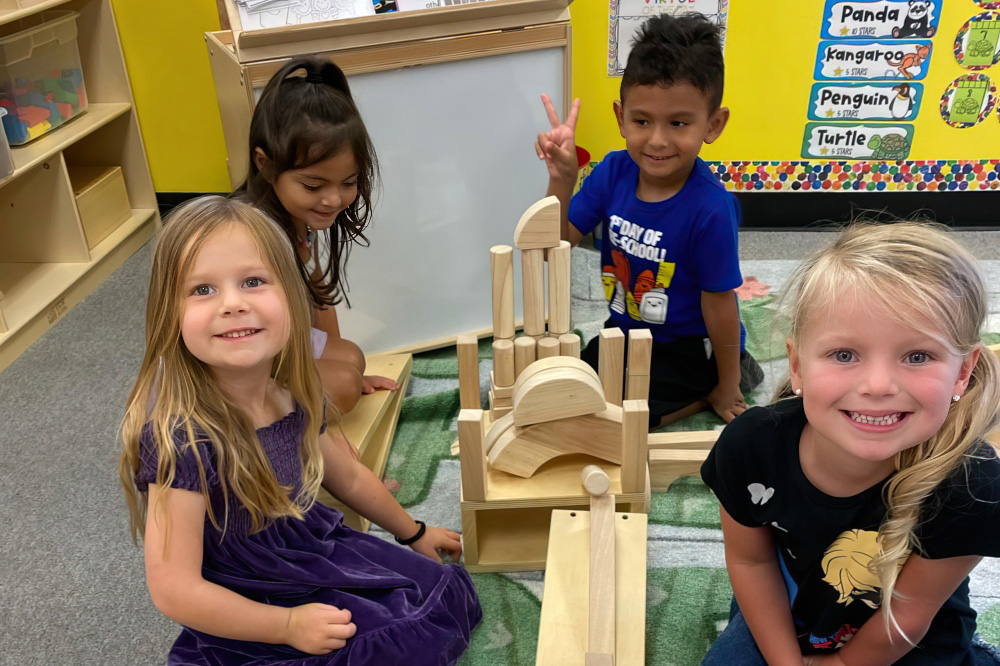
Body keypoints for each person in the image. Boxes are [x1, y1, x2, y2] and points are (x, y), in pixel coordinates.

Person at [119, 197, 481, 664]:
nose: (233, 304)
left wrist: (414, 532)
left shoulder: (289, 394)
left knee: (439, 596)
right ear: (170, 313)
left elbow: (347, 477)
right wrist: (286, 627)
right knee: (385, 650)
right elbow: (175, 589)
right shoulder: (182, 439)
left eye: (253, 282)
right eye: (202, 289)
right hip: (249, 592)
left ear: (290, 295)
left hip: (309, 545)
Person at [700, 222, 1000, 665]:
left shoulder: (975, 487)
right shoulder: (750, 446)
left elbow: (910, 614)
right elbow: (752, 564)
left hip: (909, 638)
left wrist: (840, 664)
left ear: (961, 371)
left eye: (917, 356)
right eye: (844, 355)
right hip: (792, 608)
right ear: (798, 364)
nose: (877, 386)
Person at [534, 13, 762, 427]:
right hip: (621, 332)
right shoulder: (611, 173)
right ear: (621, 118)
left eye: (678, 123)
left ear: (713, 125)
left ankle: (732, 372)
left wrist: (727, 385)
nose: (657, 139)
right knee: (574, 384)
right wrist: (562, 180)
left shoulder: (711, 209)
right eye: (642, 121)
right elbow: (555, 248)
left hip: (688, 345)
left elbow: (721, 303)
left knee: (627, 416)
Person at [236, 56, 397, 416]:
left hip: (282, 343)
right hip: (243, 360)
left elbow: (316, 292)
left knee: (352, 358)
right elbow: (245, 341)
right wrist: (334, 385)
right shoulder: (250, 236)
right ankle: (266, 427)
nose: (333, 199)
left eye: (349, 182)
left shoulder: (294, 217)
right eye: (313, 185)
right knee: (342, 383)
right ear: (265, 164)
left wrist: (346, 369)